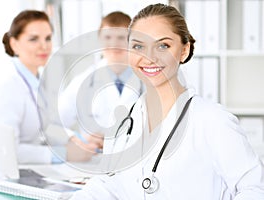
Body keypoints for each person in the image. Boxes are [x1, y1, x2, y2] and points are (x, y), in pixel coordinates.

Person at [69, 3, 264, 199]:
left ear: (184, 51)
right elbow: (108, 184)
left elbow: (254, 189)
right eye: (138, 46)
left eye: (163, 45)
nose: (149, 57)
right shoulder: (122, 122)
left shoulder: (213, 120)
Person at [0, 10, 101, 164]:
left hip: (24, 172)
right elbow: (7, 149)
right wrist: (63, 154)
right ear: (14, 44)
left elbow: (47, 127)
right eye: (33, 39)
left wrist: (77, 139)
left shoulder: (37, 80)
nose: (44, 46)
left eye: (48, 38)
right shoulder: (8, 86)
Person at [59, 11, 144, 154]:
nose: (114, 44)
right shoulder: (82, 81)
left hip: (137, 160)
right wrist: (76, 139)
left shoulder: (148, 81)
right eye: (108, 37)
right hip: (93, 161)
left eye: (121, 37)